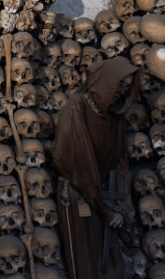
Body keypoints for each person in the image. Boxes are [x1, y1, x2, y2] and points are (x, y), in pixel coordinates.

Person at [53, 57, 139, 279]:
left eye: (127, 87)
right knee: (86, 259)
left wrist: (120, 207)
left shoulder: (115, 118)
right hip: (79, 192)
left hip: (103, 196)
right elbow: (80, 161)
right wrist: (106, 208)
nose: (122, 91)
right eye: (119, 84)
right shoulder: (77, 105)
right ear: (106, 81)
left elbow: (121, 164)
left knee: (109, 261)